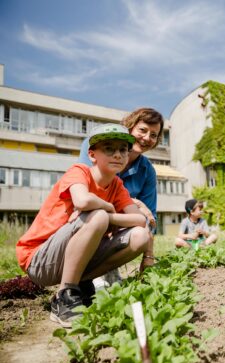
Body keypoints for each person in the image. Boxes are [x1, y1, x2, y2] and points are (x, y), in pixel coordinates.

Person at [16, 124, 154, 327]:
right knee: (97, 216)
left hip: (73, 258)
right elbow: (82, 201)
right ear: (92, 155)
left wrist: (109, 217)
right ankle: (65, 294)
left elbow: (140, 220)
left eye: (123, 149)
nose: (118, 154)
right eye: (109, 148)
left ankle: (78, 283)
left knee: (140, 236)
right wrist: (106, 208)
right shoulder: (79, 172)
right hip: (39, 260)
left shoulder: (117, 185)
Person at [78, 108, 164, 287]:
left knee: (140, 232)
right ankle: (76, 276)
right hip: (85, 219)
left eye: (154, 135)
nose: (147, 138)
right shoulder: (95, 145)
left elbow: (150, 218)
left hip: (116, 225)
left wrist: (148, 256)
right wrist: (136, 202)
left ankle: (101, 272)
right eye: (143, 130)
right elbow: (87, 190)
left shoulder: (147, 171)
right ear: (130, 127)